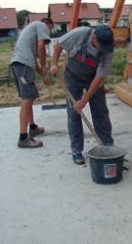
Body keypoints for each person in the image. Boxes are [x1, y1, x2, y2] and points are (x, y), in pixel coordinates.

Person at [50, 24, 115, 165]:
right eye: (100, 45)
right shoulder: (79, 34)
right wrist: (54, 64)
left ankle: (107, 145)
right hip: (73, 77)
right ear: (94, 37)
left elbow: (99, 78)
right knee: (74, 113)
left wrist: (84, 100)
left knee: (100, 111)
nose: (103, 50)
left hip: (93, 79)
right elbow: (58, 45)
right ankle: (77, 150)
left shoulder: (107, 49)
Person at [10, 18, 54, 148]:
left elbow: (34, 64)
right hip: (22, 65)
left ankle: (32, 127)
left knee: (29, 97)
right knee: (27, 98)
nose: (49, 33)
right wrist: (45, 65)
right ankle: (23, 138)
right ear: (49, 24)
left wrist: (43, 75)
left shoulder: (31, 34)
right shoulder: (42, 25)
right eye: (50, 29)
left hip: (21, 65)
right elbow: (41, 47)